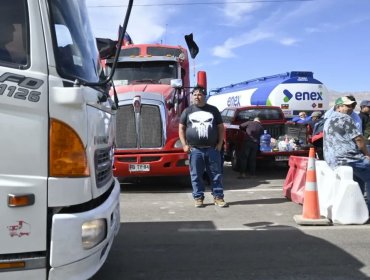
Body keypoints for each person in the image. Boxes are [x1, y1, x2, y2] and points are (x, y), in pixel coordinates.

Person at [179, 86, 227, 208]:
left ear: (204, 96)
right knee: (196, 175)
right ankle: (198, 197)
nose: (197, 97)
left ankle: (218, 197)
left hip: (212, 149)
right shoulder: (188, 111)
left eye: (199, 94)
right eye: (194, 94)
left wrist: (220, 143)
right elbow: (181, 128)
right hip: (195, 150)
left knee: (216, 174)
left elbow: (221, 128)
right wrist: (184, 144)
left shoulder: (213, 110)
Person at [323, 96, 370, 211]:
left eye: (352, 106)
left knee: (358, 178)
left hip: (332, 160)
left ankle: (357, 209)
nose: (351, 108)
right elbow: (359, 140)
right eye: (347, 106)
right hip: (348, 158)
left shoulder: (327, 120)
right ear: (338, 107)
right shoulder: (345, 118)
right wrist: (367, 155)